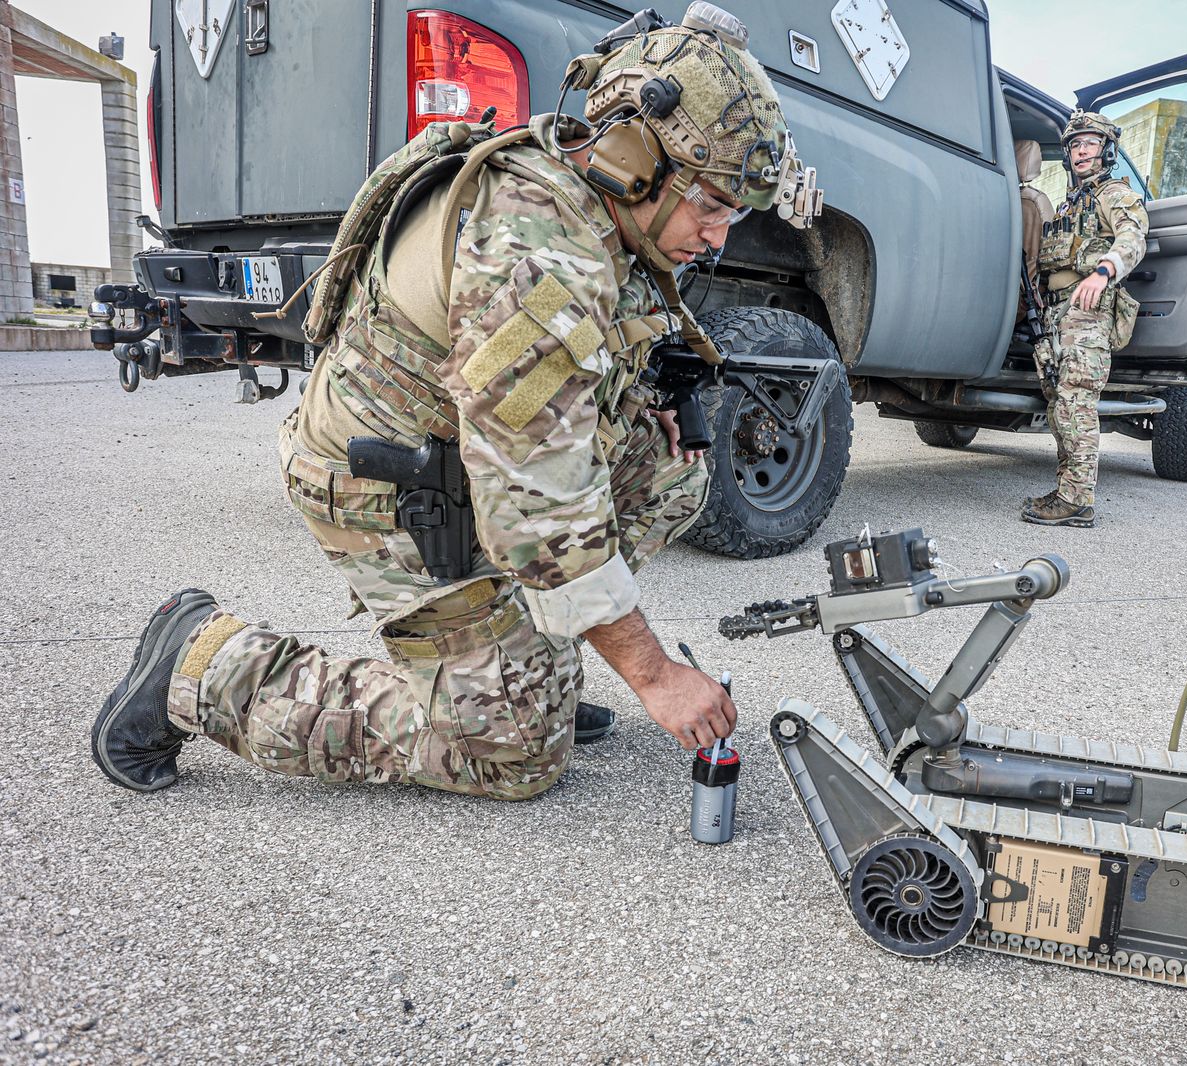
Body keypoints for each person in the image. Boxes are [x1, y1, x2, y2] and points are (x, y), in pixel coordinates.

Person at [90, 4, 820, 800]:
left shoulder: (600, 207)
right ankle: (204, 667)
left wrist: (650, 400)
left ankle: (526, 658)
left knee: (669, 471)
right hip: (385, 490)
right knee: (514, 750)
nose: (719, 236)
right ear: (632, 155)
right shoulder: (539, 255)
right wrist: (654, 676)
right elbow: (539, 509)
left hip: (458, 462)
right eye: (711, 205)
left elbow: (582, 395)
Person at [1024, 111, 1148, 528]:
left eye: (1089, 143)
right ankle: (1068, 493)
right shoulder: (1067, 204)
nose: (1080, 150)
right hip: (1056, 311)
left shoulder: (1113, 194)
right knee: (1060, 403)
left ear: (1105, 150)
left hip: (1087, 311)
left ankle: (1077, 500)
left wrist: (1104, 270)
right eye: (1075, 144)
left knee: (1077, 400)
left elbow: (1133, 237)